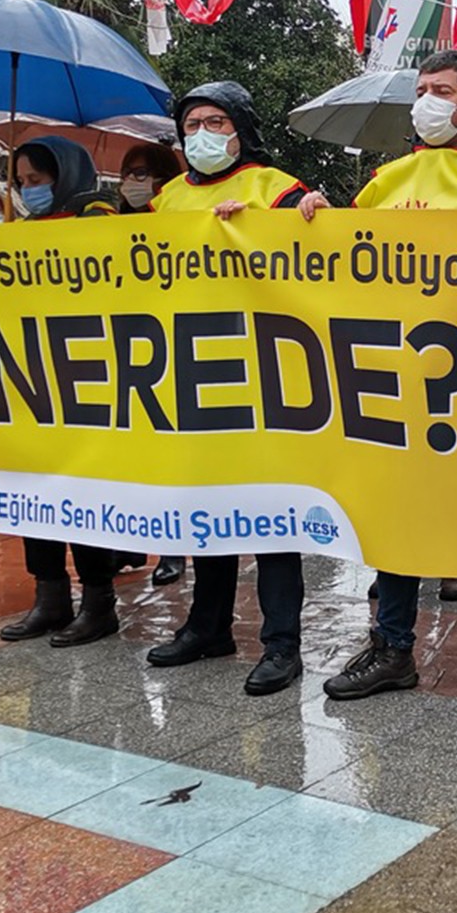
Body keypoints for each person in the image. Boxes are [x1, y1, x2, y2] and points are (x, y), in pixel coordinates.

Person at [299, 49, 457, 728]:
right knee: (396, 515)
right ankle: (391, 648)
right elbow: (342, 259)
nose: (427, 102)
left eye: (442, 90)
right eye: (421, 90)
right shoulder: (386, 180)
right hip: (393, 381)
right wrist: (316, 215)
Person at [140, 82, 311, 696]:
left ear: (241, 128)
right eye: (192, 125)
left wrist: (282, 225)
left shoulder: (278, 189)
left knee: (270, 514)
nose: (203, 134)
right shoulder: (164, 201)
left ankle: (282, 643)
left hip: (263, 375)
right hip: (191, 371)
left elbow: (324, 261)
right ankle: (207, 625)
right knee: (204, 506)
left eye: (216, 122)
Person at [0, 135, 126, 648]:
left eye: (38, 181)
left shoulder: (97, 217)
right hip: (33, 383)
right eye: (21, 183)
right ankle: (49, 599)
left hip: (89, 383)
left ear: (65, 174)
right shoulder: (21, 229)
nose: (29, 191)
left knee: (83, 494)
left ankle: (99, 603)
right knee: (36, 495)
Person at [111, 133, 188, 589]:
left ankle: (174, 549)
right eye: (126, 174)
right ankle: (133, 539)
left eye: (141, 174)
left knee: (171, 458)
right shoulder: (110, 224)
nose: (130, 183)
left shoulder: (181, 219)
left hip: (173, 353)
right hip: (127, 352)